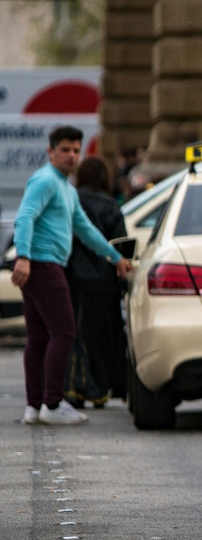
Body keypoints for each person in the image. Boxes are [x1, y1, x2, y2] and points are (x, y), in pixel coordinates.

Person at [12, 126, 133, 426]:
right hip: (43, 264)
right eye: (65, 149)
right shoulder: (45, 180)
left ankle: (34, 405)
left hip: (44, 264)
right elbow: (25, 216)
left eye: (76, 150)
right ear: (50, 152)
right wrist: (24, 256)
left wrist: (115, 257)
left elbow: (86, 229)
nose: (72, 156)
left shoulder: (66, 188)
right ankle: (52, 403)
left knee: (39, 336)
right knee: (64, 332)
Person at [64, 157, 129, 409]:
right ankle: (100, 389)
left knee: (76, 336)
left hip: (74, 280)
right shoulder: (110, 206)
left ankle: (76, 387)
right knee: (103, 338)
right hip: (104, 283)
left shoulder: (71, 201)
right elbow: (121, 246)